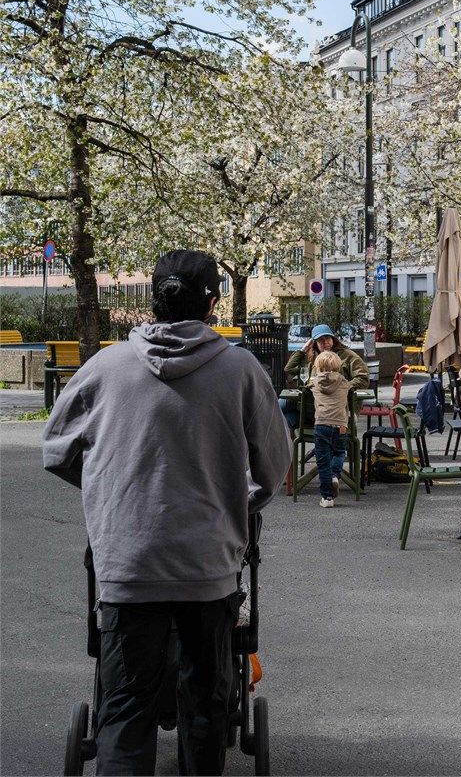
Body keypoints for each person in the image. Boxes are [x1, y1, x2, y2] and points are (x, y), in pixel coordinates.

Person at [42, 249, 289, 776]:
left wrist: (110, 495)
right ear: (214, 303)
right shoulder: (241, 370)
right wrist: (237, 503)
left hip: (129, 563)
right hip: (208, 566)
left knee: (125, 709)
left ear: (151, 299)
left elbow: (56, 450)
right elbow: (273, 469)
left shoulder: (104, 367)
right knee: (206, 706)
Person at [281, 323, 368, 430]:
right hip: (311, 408)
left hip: (337, 410)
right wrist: (304, 348)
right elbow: (288, 369)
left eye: (327, 338)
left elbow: (363, 379)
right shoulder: (311, 357)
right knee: (284, 419)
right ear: (314, 343)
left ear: (333, 339)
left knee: (282, 404)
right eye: (321, 340)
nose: (325, 342)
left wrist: (339, 387)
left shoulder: (348, 356)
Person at [308, 350, 352, 507]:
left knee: (323, 461)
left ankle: (327, 498)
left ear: (317, 366)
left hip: (321, 425)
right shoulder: (344, 383)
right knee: (340, 452)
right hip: (340, 425)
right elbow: (353, 386)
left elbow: (305, 382)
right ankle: (335, 475)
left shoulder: (314, 383)